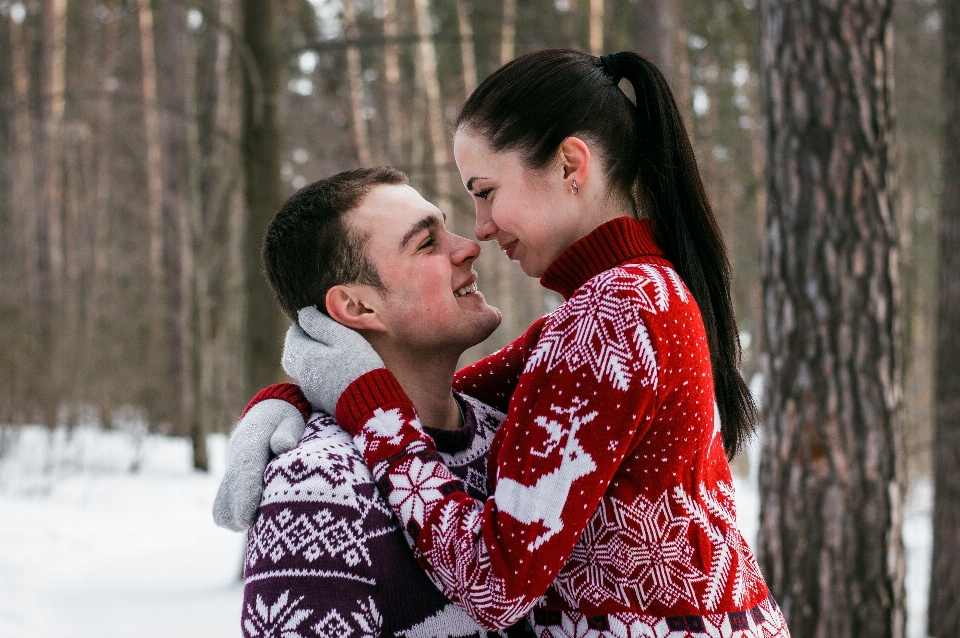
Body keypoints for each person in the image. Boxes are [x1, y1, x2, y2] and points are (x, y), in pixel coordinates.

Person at [221, 49, 790, 637]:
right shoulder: (622, 303)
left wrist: (366, 404)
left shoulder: (618, 311)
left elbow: (496, 582)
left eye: (486, 191)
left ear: (572, 166)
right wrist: (302, 397)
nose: (480, 230)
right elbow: (438, 397)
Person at [218, 166, 534, 638]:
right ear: (359, 307)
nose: (468, 245)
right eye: (427, 243)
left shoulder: (514, 433)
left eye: (445, 228)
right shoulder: (317, 490)